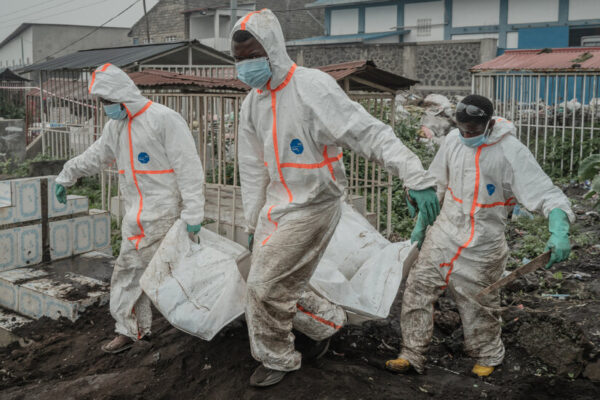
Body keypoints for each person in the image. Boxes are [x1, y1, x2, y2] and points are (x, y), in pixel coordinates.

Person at [231, 9, 440, 387]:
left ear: (274, 50)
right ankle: (327, 321)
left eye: (252, 57)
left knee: (264, 288)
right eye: (239, 60)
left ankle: (278, 357)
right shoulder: (253, 103)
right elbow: (251, 167)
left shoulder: (311, 87)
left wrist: (415, 175)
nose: (246, 67)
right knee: (266, 283)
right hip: (277, 205)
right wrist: (251, 220)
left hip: (314, 205)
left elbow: (368, 133)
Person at [386, 94, 574, 377]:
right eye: (462, 130)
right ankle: (412, 354)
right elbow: (435, 183)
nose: (466, 136)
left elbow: (546, 194)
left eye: (472, 131)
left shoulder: (510, 151)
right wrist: (421, 223)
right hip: (445, 231)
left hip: (483, 243)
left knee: (479, 303)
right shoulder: (453, 141)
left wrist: (558, 230)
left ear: (488, 125)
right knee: (418, 287)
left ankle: (488, 355)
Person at [54, 63, 205, 353]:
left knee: (177, 274)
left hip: (166, 216)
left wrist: (193, 213)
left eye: (108, 102)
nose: (106, 107)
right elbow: (96, 155)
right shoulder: (116, 127)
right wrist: (68, 173)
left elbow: (189, 168)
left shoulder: (163, 119)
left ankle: (215, 319)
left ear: (122, 94)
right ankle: (131, 330)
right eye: (103, 103)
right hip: (136, 217)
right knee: (130, 273)